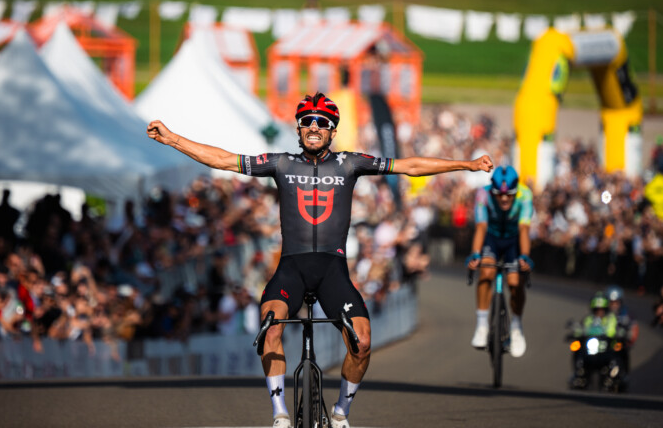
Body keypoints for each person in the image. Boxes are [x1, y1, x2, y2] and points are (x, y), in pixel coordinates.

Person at [147, 92, 494, 428]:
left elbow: (410, 166)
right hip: (291, 269)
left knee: (362, 342)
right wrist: (173, 139)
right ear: (298, 128)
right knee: (270, 328)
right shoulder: (281, 163)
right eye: (307, 121)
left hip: (333, 272)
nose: (314, 126)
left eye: (322, 122)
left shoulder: (350, 163)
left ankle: (341, 412)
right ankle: (280, 414)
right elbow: (223, 160)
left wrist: (466, 165)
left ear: (333, 130)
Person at [466, 165, 533, 357]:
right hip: (491, 238)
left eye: (509, 195)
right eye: (499, 195)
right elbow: (481, 227)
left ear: (516, 191)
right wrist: (475, 254)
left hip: (514, 240)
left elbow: (524, 230)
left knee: (515, 282)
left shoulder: (525, 195)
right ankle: (482, 324)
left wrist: (525, 256)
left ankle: (516, 326)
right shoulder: (483, 194)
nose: (504, 199)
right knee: (486, 272)